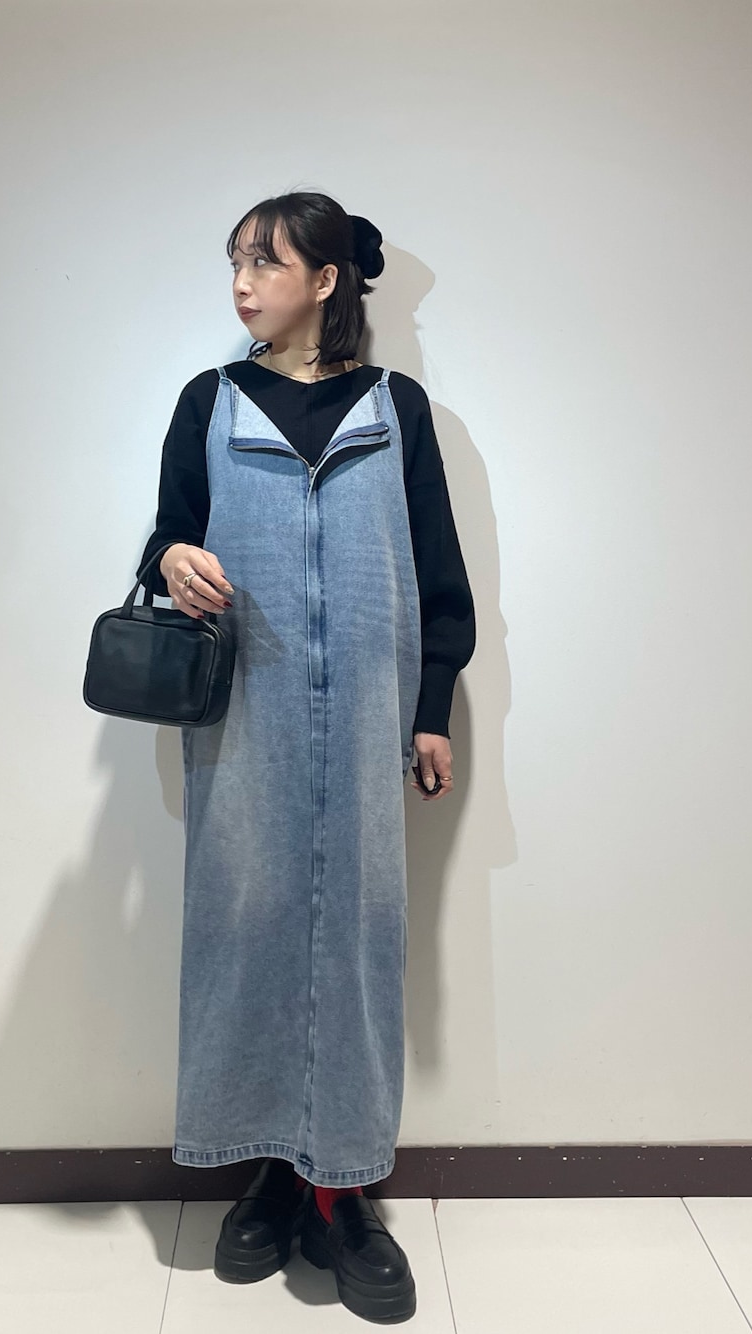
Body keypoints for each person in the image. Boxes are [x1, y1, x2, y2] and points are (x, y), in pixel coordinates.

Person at [137, 191, 475, 1323]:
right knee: (248, 931)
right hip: (245, 720)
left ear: (326, 280)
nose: (242, 284)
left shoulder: (395, 408)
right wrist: (173, 557)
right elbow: (168, 530)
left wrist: (431, 707)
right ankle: (272, 1172)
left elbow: (437, 569)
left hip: (369, 719)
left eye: (266, 263)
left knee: (359, 941)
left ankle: (345, 1191)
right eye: (235, 261)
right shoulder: (211, 402)